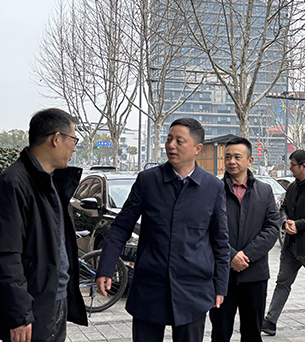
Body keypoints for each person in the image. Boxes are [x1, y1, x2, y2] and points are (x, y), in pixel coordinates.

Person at [96, 118, 230, 342]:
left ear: (197, 149)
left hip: (193, 288)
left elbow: (220, 242)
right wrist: (106, 268)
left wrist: (220, 286)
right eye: (169, 139)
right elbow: (120, 228)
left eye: (179, 141)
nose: (171, 145)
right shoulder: (148, 181)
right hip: (150, 285)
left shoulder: (213, 187)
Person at [0, 108, 88, 342]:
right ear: (56, 139)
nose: (75, 148)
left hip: (55, 300)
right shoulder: (11, 185)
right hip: (32, 307)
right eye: (73, 140)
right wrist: (19, 314)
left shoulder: (53, 182)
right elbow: (4, 256)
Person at [209, 137, 280, 342]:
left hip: (255, 275)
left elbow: (272, 227)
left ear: (250, 160)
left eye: (237, 157)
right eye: (228, 157)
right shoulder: (214, 190)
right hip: (222, 276)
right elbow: (206, 229)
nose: (232, 161)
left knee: (252, 333)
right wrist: (231, 256)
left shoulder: (264, 191)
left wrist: (246, 256)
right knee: (220, 332)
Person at [262, 150, 305, 338]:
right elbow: (283, 208)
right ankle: (270, 321)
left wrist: (298, 224)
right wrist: (285, 222)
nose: (290, 168)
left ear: (303, 166)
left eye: (293, 165)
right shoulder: (292, 187)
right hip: (291, 246)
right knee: (282, 282)